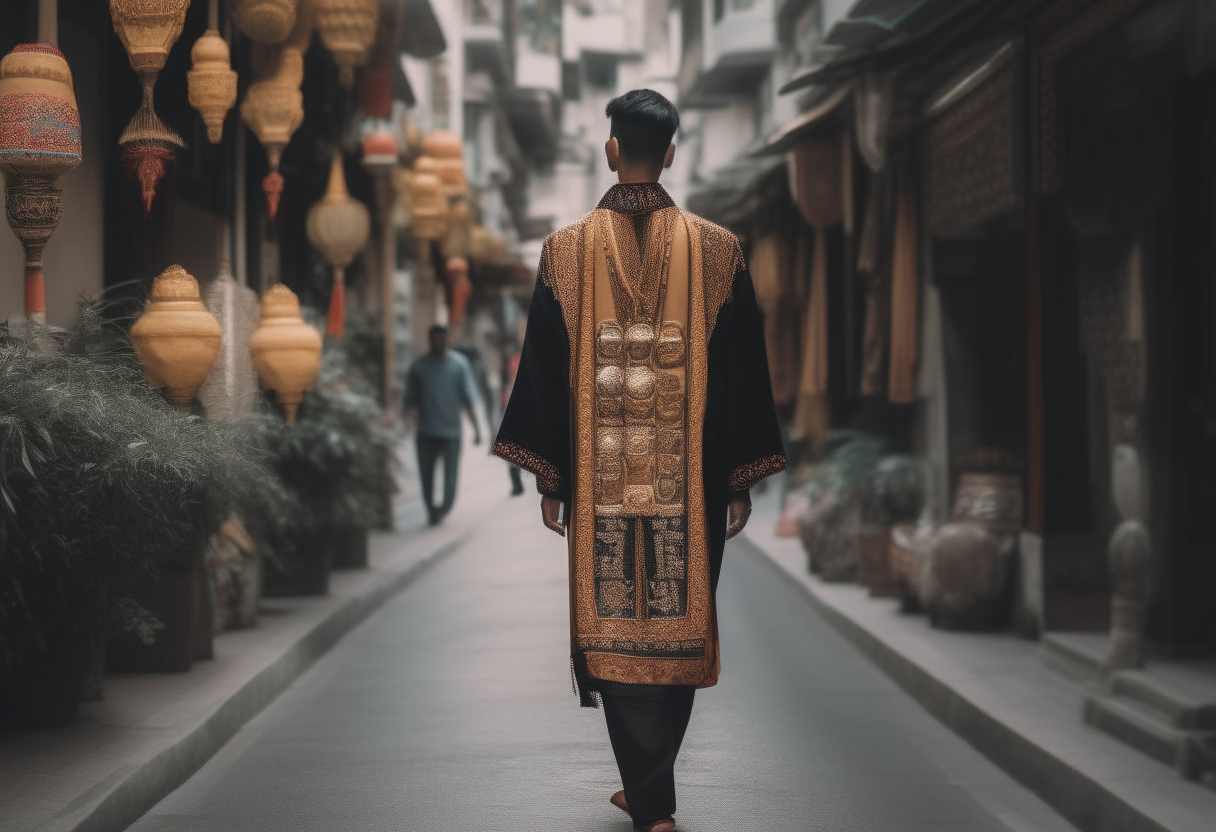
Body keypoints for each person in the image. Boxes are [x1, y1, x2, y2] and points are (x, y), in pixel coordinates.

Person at [493, 89, 786, 832]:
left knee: (615, 630)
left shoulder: (564, 251)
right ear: (674, 153)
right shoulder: (719, 249)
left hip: (600, 487)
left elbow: (543, 370)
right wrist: (740, 481)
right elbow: (746, 370)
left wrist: (549, 479)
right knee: (679, 629)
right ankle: (652, 789)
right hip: (691, 484)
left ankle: (651, 799)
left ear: (611, 150)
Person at [404, 324, 481, 525]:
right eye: (435, 338)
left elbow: (468, 400)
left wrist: (477, 429)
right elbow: (410, 400)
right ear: (430, 340)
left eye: (442, 338)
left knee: (450, 479)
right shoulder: (419, 366)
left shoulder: (459, 365)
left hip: (451, 433)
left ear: (447, 339)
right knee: (426, 476)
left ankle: (444, 508)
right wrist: (409, 421)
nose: (439, 342)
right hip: (426, 432)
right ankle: (431, 509)